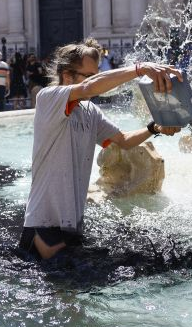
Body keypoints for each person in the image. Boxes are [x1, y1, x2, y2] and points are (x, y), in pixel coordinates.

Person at [19, 38, 182, 260]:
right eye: (91, 74)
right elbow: (89, 87)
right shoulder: (48, 98)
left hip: (72, 227)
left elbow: (123, 140)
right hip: (43, 226)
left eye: (98, 73)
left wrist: (154, 127)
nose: (97, 81)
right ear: (68, 76)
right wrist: (140, 68)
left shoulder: (89, 111)